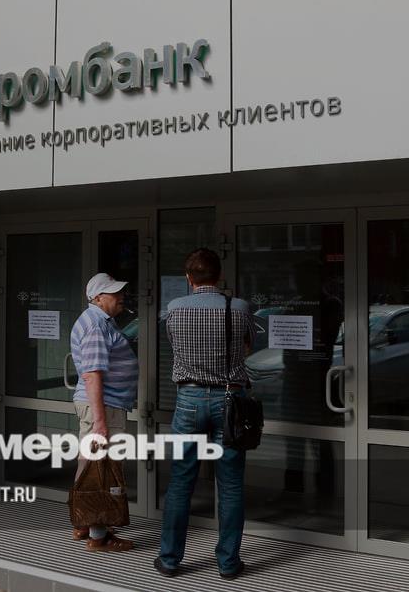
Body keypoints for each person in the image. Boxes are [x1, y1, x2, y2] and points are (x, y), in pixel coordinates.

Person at [155, 248, 253, 580]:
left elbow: (175, 347)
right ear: (219, 275)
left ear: (188, 278)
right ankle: (228, 563)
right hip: (230, 399)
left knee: (181, 481)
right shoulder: (238, 307)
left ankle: (170, 559)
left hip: (189, 399)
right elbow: (246, 347)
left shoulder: (174, 309)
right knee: (231, 484)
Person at [70, 272, 139, 552]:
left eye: (121, 292)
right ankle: (99, 536)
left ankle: (83, 522)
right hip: (104, 407)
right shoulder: (96, 326)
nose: (121, 297)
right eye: (114, 293)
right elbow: (92, 375)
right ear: (98, 298)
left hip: (104, 405)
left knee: (89, 466)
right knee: (102, 470)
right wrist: (100, 422)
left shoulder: (99, 321)